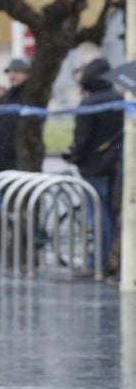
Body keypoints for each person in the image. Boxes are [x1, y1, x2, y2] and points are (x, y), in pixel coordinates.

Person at [67, 57, 122, 275]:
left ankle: (97, 261)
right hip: (113, 163)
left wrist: (75, 156)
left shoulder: (89, 104)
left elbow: (82, 138)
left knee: (98, 216)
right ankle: (109, 258)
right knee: (109, 213)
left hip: (92, 165)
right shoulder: (119, 99)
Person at [0, 58, 30, 174]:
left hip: (17, 159)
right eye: (9, 72)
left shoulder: (28, 98)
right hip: (0, 158)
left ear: (26, 74)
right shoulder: (6, 97)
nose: (12, 76)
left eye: (16, 72)